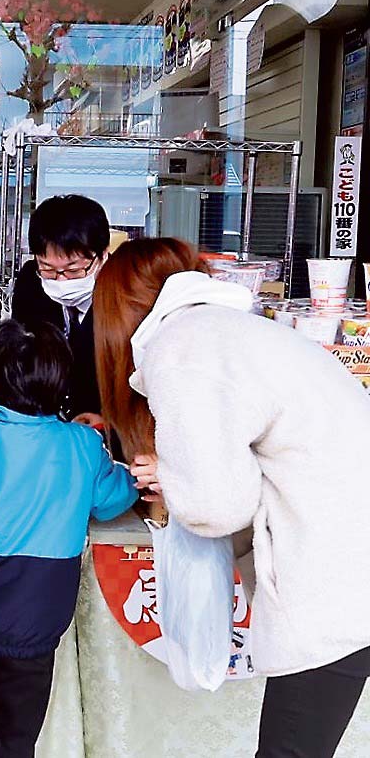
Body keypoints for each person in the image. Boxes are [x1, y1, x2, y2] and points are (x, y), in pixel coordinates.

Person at [93, 237, 370, 758]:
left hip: (330, 581)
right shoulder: (228, 330)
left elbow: (216, 504)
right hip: (349, 567)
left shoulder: (183, 346)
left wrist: (173, 479)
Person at [0, 319, 137, 758]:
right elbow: (113, 501)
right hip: (35, 626)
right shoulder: (83, 444)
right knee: (17, 742)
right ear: (62, 383)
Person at [11, 194, 110, 425]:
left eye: (73, 270)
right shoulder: (30, 283)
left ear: (103, 255)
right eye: (47, 269)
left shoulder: (127, 294)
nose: (61, 280)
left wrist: (110, 422)